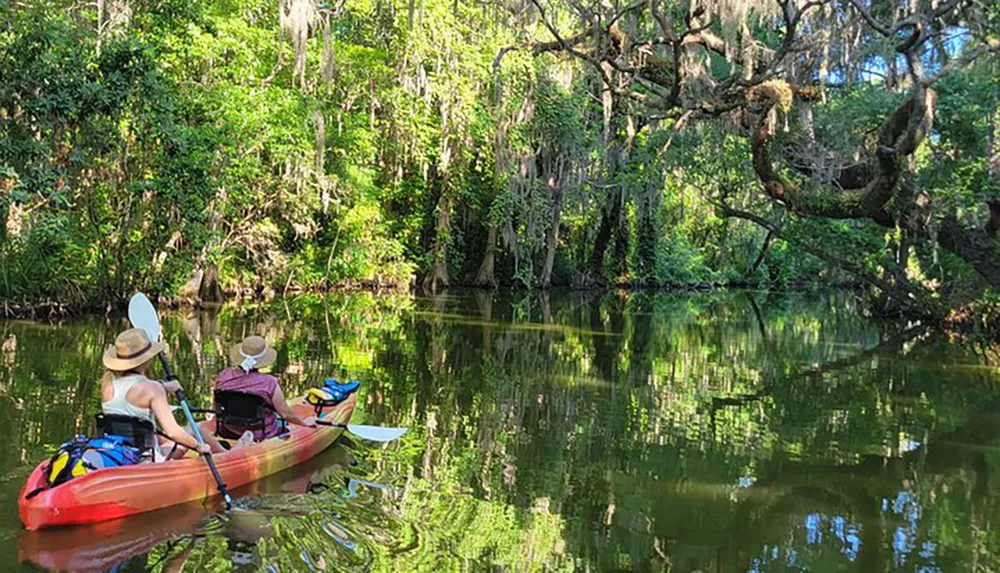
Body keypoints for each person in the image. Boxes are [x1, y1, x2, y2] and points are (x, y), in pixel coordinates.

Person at [101, 328, 239, 461]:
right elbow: (173, 432)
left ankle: (225, 453)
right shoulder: (153, 389)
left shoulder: (107, 382)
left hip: (118, 453)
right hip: (147, 460)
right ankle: (227, 456)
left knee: (171, 434)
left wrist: (164, 386)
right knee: (196, 429)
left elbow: (133, 388)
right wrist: (199, 446)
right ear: (148, 359)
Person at [214, 336, 317, 442]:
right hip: (261, 433)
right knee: (286, 425)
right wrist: (304, 423)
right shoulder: (269, 382)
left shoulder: (223, 376)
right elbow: (285, 414)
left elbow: (216, 406)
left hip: (228, 431)